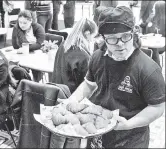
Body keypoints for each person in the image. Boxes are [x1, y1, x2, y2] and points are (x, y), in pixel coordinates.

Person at [65, 6, 165, 148]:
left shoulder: (149, 69)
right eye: (112, 38)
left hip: (130, 137)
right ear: (103, 38)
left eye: (125, 36)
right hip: (98, 131)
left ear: (134, 33)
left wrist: (129, 124)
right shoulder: (97, 57)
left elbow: (157, 107)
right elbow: (89, 84)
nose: (120, 44)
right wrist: (72, 100)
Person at [52, 17, 98, 93]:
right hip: (72, 96)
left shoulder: (64, 45)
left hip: (56, 91)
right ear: (87, 33)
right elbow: (86, 85)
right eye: (93, 36)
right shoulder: (83, 55)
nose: (93, 40)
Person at [145, 1, 165, 66]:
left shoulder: (164, 21)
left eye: (154, 7)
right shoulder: (152, 17)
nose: (152, 9)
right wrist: (148, 21)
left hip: (162, 44)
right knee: (142, 47)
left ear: (158, 9)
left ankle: (157, 68)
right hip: (152, 42)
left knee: (153, 48)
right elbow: (145, 27)